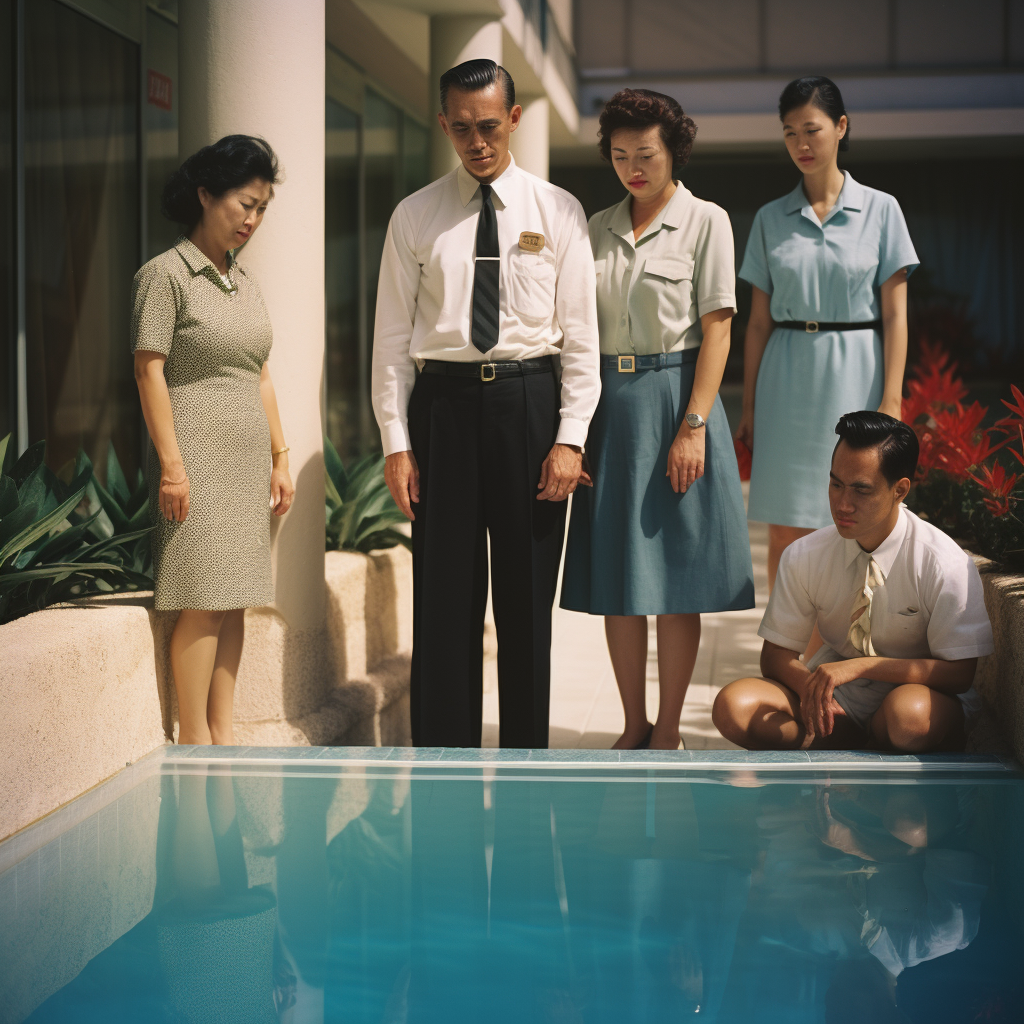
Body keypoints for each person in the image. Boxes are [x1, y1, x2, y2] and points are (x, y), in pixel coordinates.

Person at [371, 59, 600, 748]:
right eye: (463, 128)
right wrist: (396, 443)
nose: (478, 142)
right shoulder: (414, 216)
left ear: (516, 119)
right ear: (444, 124)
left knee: (526, 601)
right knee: (445, 601)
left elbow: (583, 339)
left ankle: (526, 757)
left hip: (530, 406)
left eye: (490, 127)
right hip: (442, 410)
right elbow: (388, 342)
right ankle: (445, 764)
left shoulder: (558, 211)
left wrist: (570, 438)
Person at [560, 88, 754, 751]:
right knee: (618, 581)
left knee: (676, 578)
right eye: (619, 155)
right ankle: (633, 722)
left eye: (645, 154)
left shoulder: (709, 221)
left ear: (675, 150)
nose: (632, 168)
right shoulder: (592, 228)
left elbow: (719, 332)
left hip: (678, 400)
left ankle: (669, 726)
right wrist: (573, 431)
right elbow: (576, 337)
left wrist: (694, 425)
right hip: (608, 410)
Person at [132, 135, 294, 746]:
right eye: (243, 205)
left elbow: (260, 374)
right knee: (201, 597)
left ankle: (224, 734)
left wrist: (281, 457)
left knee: (234, 598)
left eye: (261, 209)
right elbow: (149, 371)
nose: (252, 220)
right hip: (193, 458)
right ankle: (193, 737)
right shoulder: (164, 276)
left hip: (246, 459)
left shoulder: (244, 284)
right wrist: (172, 467)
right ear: (205, 195)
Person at [734, 77, 919, 605]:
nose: (801, 144)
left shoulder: (883, 210)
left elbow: (895, 315)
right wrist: (747, 405)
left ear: (840, 127)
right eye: (789, 133)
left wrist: (891, 398)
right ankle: (788, 659)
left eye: (811, 130)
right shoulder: (771, 218)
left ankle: (837, 664)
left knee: (852, 525)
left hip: (857, 373)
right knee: (787, 531)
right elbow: (758, 324)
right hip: (785, 380)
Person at [712, 412, 994, 752]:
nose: (843, 504)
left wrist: (859, 667)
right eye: (835, 484)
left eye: (861, 489)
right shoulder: (805, 555)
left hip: (914, 695)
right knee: (733, 707)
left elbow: (960, 674)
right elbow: (775, 657)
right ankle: (845, 741)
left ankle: (851, 743)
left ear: (899, 490)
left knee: (910, 721)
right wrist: (813, 690)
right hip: (838, 697)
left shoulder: (943, 563)